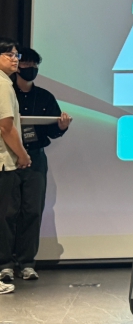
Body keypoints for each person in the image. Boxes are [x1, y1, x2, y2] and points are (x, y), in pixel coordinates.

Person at [13, 47, 72, 281]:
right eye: (27, 65)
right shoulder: (6, 92)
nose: (31, 69)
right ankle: (4, 262)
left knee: (32, 210)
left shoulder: (45, 96)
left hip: (35, 157)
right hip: (8, 156)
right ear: (17, 66)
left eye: (35, 65)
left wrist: (61, 126)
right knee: (7, 211)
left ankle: (27, 262)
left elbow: (52, 130)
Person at [0, 38, 31, 294]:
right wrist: (22, 155)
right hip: (3, 162)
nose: (14, 59)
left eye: (16, 55)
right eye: (9, 54)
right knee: (5, 217)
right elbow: (6, 127)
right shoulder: (2, 84)